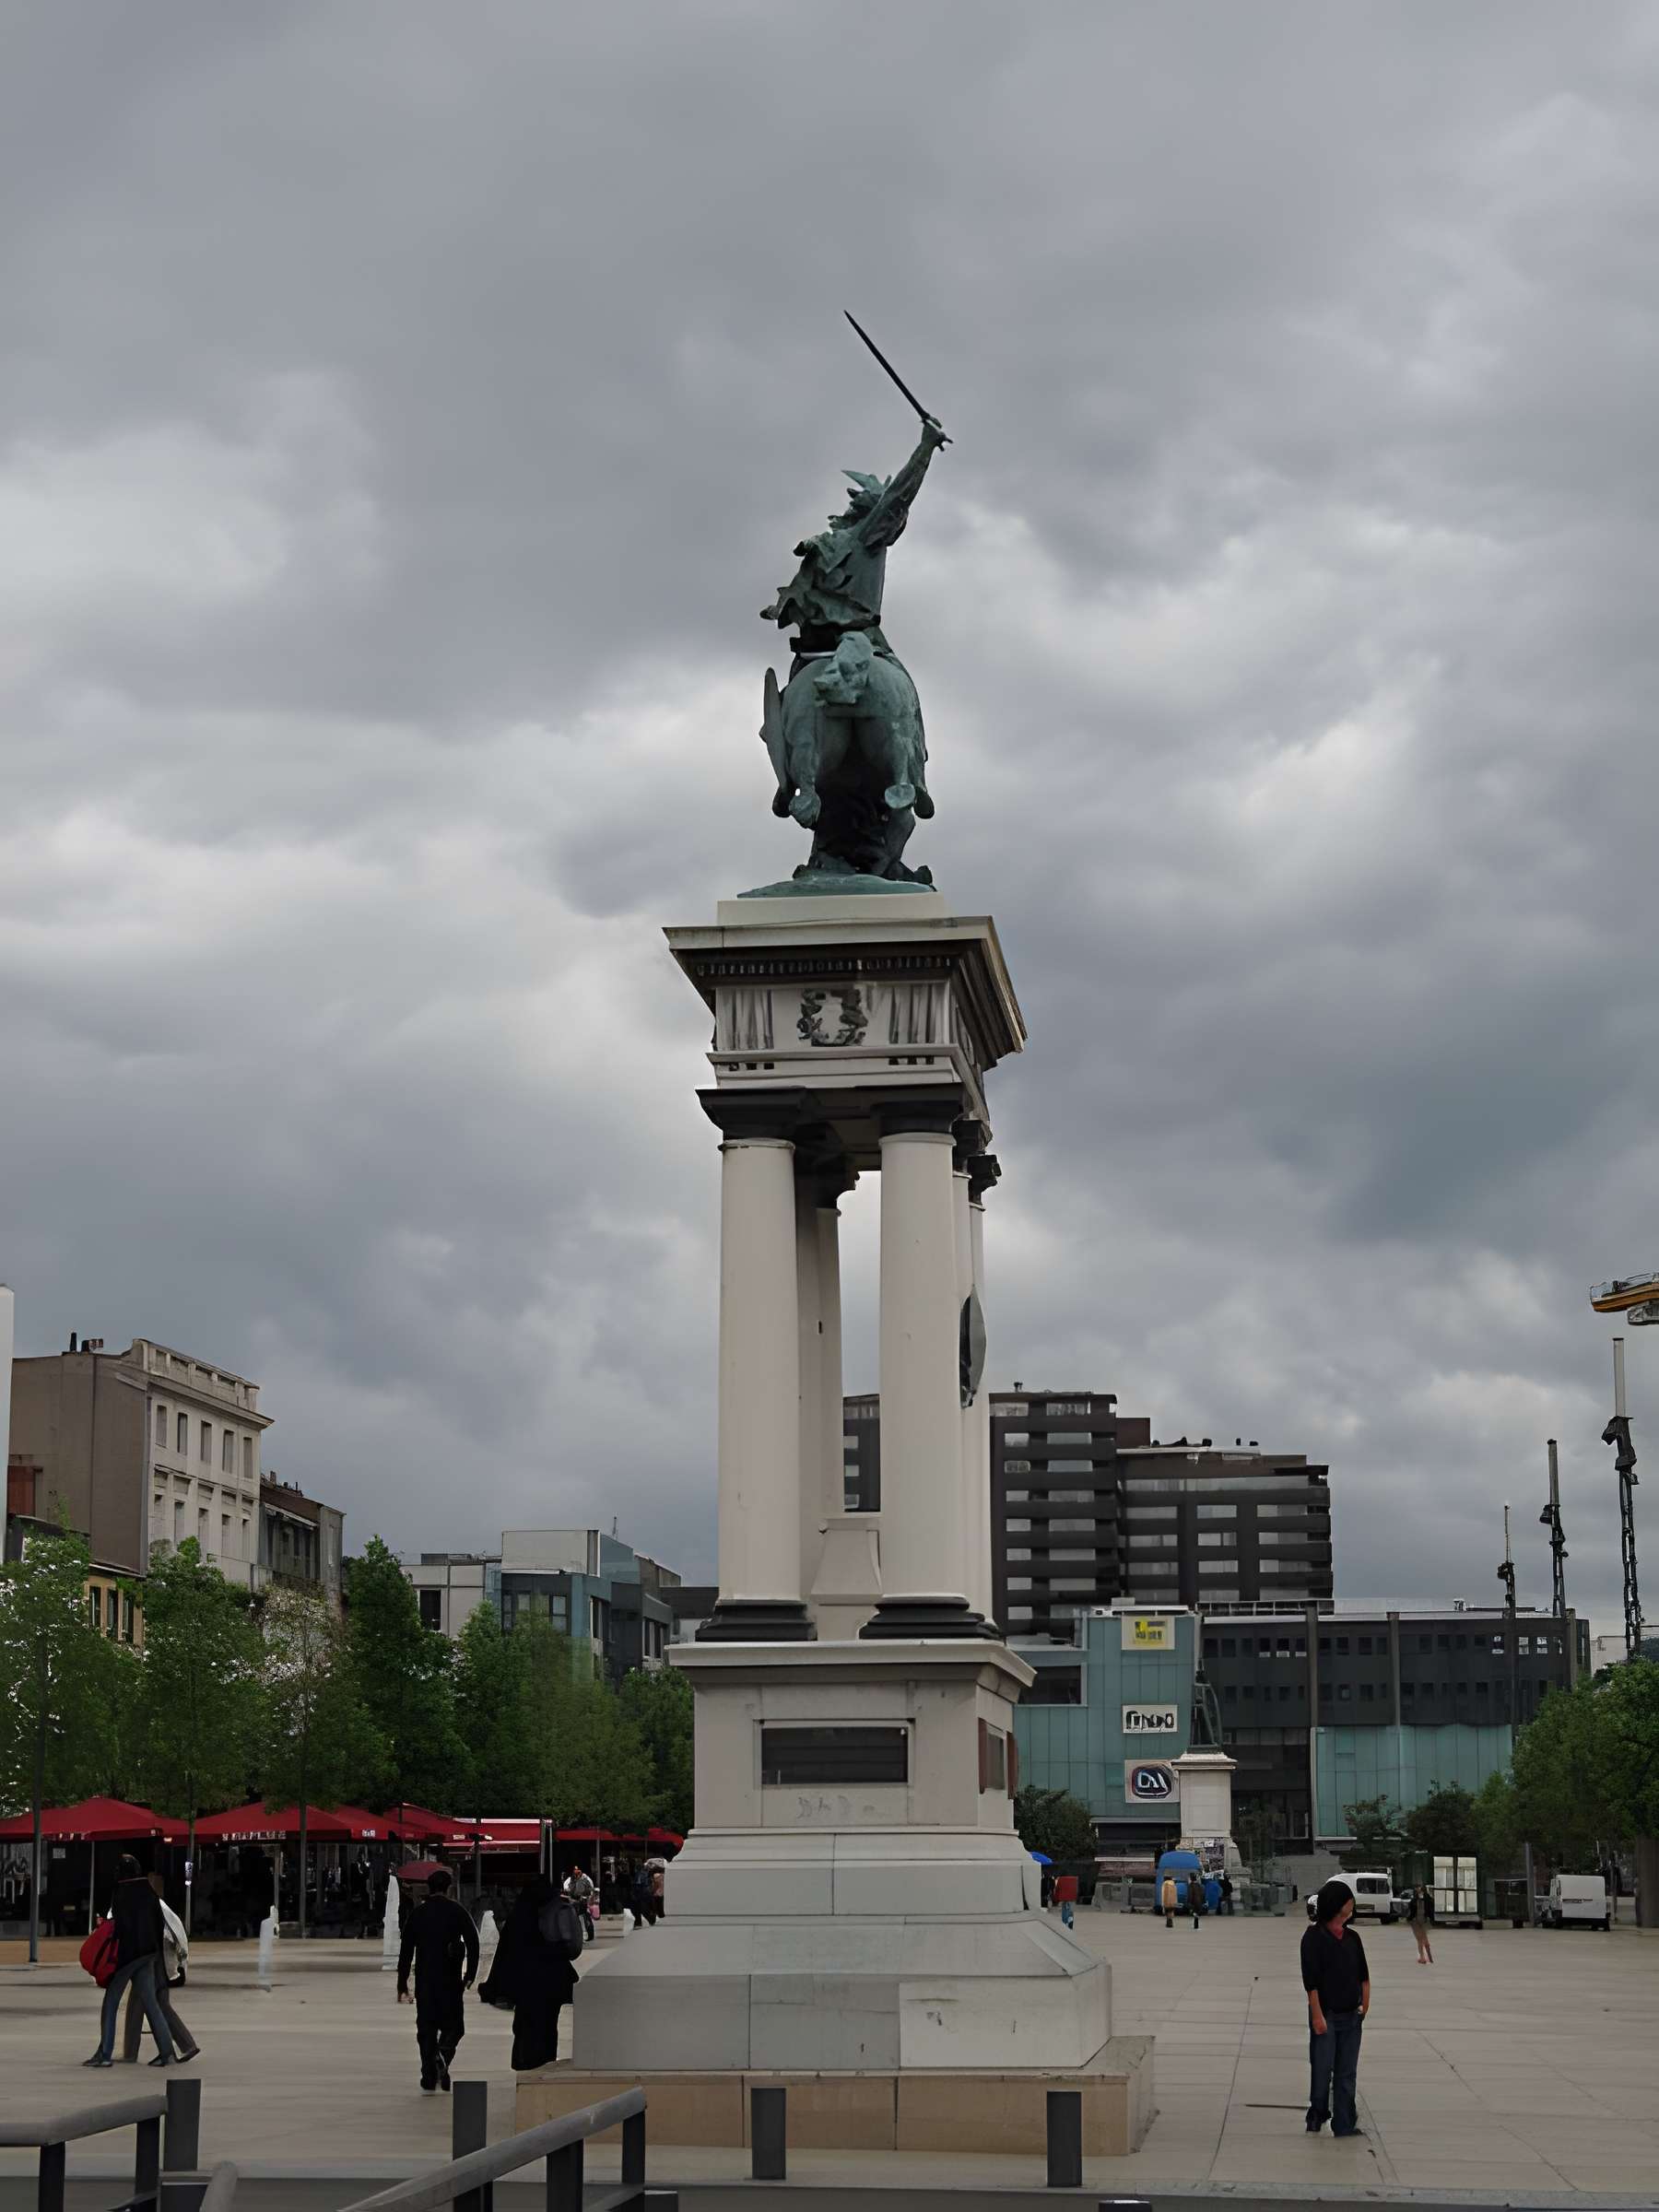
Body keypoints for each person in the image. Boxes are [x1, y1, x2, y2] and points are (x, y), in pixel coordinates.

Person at [83, 1856, 176, 2069]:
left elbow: (118, 1927)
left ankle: (104, 2053)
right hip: (149, 1953)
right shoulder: (149, 1891)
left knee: (111, 2001)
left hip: (128, 1955)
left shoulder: (121, 1893)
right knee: (151, 2002)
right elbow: (158, 1922)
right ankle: (166, 2052)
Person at [479, 1877, 580, 2069]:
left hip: (525, 1985)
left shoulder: (519, 1916)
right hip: (551, 1983)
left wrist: (495, 1986)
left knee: (525, 2025)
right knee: (548, 2026)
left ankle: (525, 2062)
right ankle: (545, 2062)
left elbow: (504, 1953)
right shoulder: (552, 1912)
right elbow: (567, 1948)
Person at [396, 1868, 479, 2093]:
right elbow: (473, 1942)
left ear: (429, 1888)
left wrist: (402, 1982)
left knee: (426, 2029)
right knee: (455, 2026)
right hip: (451, 1979)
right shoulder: (457, 1911)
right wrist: (470, 1973)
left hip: (425, 1979)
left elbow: (405, 1951)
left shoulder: (418, 1914)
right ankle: (443, 2052)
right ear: (449, 1887)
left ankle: (428, 2074)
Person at [1301, 1879, 1371, 2137]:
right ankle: (1317, 2111)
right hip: (1326, 2014)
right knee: (1322, 2070)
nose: (1351, 1907)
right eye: (1347, 1902)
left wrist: (1365, 2005)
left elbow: (1363, 1975)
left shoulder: (1353, 1938)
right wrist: (1317, 2016)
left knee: (1346, 2072)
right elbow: (1312, 1983)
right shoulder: (1313, 1938)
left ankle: (1344, 2123)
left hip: (1352, 2014)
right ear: (1335, 1905)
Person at [123, 1876, 199, 2064]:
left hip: (151, 1960)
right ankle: (186, 2044)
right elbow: (177, 1935)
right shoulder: (159, 1904)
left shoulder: (145, 1904)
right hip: (161, 1960)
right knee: (155, 2003)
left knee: (142, 2003)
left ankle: (136, 2052)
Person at [1407, 1881, 1435, 1964]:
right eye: (1417, 1887)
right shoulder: (1418, 1898)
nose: (1417, 1889)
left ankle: (1425, 1957)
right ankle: (1425, 1957)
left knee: (1422, 1940)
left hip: (1421, 1920)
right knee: (1421, 1939)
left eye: (1418, 1887)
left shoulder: (1422, 1898)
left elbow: (1430, 1908)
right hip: (1418, 1920)